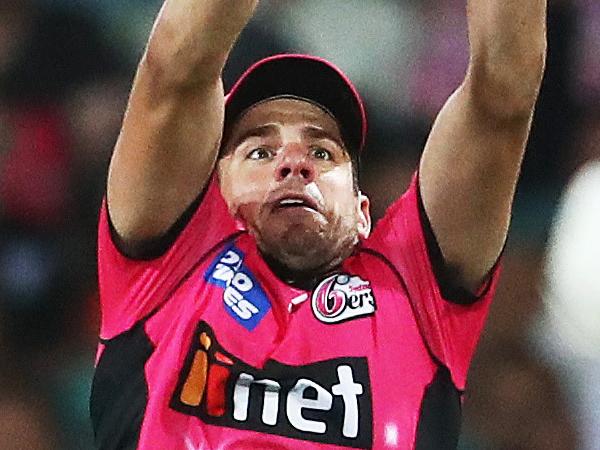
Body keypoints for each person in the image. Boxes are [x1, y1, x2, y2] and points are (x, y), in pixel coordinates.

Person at [90, 1, 547, 449]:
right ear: (216, 191)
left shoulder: (414, 291)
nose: (293, 163)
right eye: (260, 152)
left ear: (363, 212)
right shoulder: (169, 264)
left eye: (323, 152)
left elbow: (503, 92)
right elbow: (177, 61)